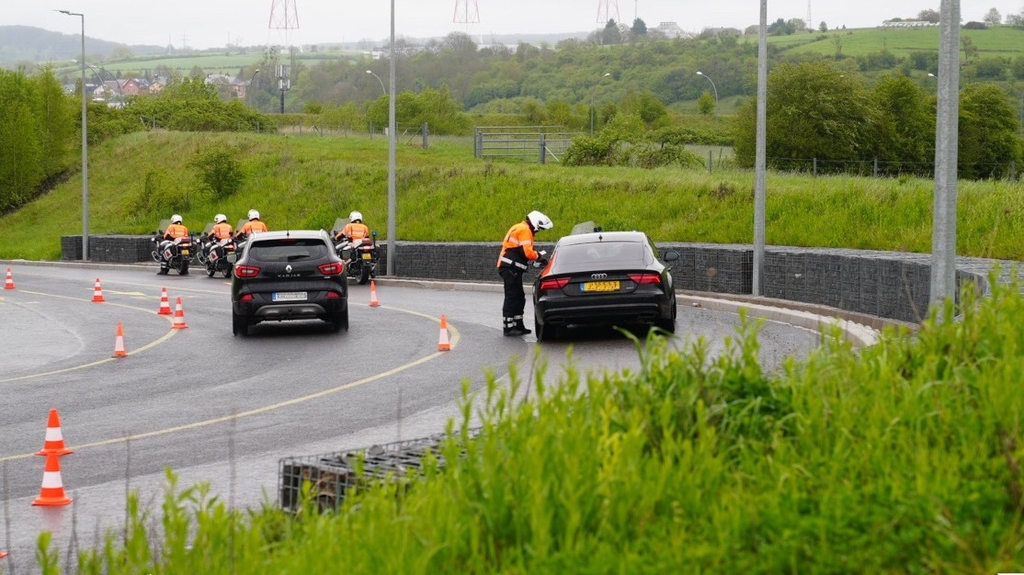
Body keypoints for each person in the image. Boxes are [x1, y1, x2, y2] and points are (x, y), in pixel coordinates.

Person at [496, 210, 553, 336]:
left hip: (510, 268)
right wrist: (538, 255)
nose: (537, 231)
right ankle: (508, 327)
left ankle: (518, 325)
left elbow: (520, 251)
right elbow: (527, 252)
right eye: (538, 228)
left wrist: (536, 257)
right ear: (535, 223)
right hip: (510, 268)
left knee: (519, 297)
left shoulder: (519, 227)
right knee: (512, 296)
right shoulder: (525, 230)